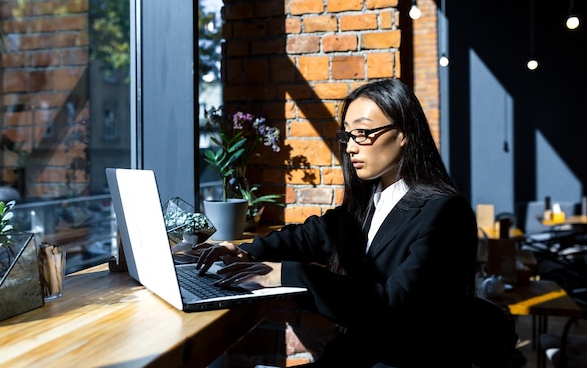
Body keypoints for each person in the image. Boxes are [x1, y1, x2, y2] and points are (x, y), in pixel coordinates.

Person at [195, 78, 478, 368]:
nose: (352, 147)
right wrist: (249, 252)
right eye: (348, 136)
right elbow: (308, 236)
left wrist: (286, 275)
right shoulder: (372, 201)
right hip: (354, 354)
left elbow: (394, 308)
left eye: (363, 133)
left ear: (404, 134)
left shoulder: (445, 212)